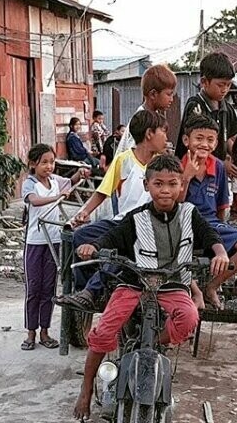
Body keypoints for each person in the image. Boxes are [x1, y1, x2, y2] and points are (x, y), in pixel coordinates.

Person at [73, 154, 230, 419]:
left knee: (189, 318)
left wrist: (220, 253)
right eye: (158, 184)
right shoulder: (136, 218)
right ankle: (86, 389)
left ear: (182, 186)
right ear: (147, 186)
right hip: (134, 283)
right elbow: (111, 237)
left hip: (173, 285)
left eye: (172, 184)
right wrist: (94, 246)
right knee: (102, 332)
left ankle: (154, 345)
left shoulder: (190, 214)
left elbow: (210, 236)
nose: (165, 190)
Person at [55, 110, 169, 311]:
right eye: (163, 132)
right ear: (149, 134)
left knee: (119, 250)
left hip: (149, 226)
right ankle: (85, 291)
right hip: (121, 221)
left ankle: (92, 290)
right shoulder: (123, 160)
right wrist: (84, 212)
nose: (166, 138)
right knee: (81, 237)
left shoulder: (163, 163)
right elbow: (103, 191)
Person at [178, 114, 237, 309]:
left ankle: (212, 286)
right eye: (199, 138)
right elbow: (174, 206)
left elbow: (222, 207)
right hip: (181, 223)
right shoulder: (175, 165)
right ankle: (190, 290)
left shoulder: (219, 167)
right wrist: (185, 177)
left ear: (215, 143)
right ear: (186, 140)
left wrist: (220, 238)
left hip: (211, 224)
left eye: (210, 139)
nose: (204, 144)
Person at [20, 143, 83, 351]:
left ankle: (45, 332)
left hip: (53, 241)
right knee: (33, 288)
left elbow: (70, 182)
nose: (49, 166)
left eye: (52, 162)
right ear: (33, 164)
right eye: (44, 162)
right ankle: (31, 332)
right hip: (35, 243)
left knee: (49, 288)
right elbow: (34, 201)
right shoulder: (30, 184)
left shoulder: (55, 180)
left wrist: (80, 174)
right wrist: (57, 197)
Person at [175, 52, 237, 179]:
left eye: (228, 85)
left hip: (215, 173)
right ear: (204, 82)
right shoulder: (195, 106)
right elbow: (195, 147)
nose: (225, 89)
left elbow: (230, 140)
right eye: (220, 85)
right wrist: (222, 164)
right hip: (192, 171)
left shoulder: (227, 109)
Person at [115, 64, 177, 155]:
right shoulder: (142, 121)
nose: (171, 99)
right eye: (169, 94)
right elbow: (134, 157)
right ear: (153, 94)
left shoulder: (152, 116)